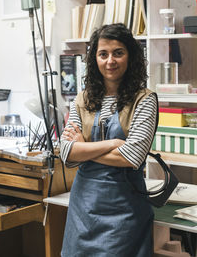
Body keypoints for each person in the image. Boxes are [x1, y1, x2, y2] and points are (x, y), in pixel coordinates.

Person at [60, 23, 158, 256]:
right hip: (82, 211)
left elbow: (132, 156)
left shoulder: (144, 100)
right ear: (94, 59)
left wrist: (83, 147)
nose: (110, 61)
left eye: (118, 53)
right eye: (103, 54)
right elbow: (66, 153)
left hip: (124, 214)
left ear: (130, 56)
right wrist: (113, 144)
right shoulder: (81, 99)